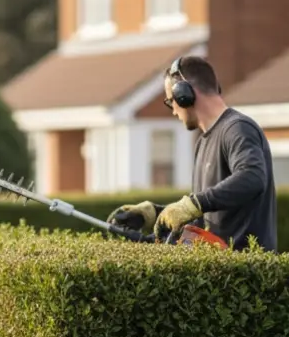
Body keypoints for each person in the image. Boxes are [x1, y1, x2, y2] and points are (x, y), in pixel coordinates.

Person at [107, 55, 277, 252]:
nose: (173, 111)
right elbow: (204, 210)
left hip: (246, 272)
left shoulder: (237, 129)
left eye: (171, 101)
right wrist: (156, 213)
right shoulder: (203, 141)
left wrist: (194, 204)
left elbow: (252, 177)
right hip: (220, 267)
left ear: (185, 95)